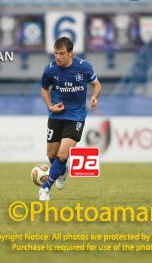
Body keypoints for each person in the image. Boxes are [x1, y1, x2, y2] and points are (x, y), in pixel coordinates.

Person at [39, 37, 101, 201]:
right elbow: (44, 89)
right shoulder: (50, 70)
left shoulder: (84, 67)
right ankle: (62, 171)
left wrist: (94, 97)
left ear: (71, 53)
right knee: (51, 154)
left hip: (76, 116)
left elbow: (97, 85)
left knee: (63, 153)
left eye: (61, 53)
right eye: (55, 53)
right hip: (56, 115)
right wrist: (50, 105)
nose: (58, 57)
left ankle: (45, 189)